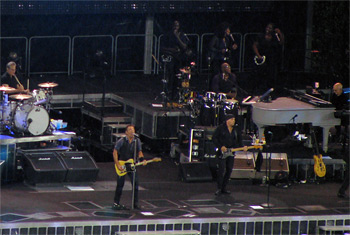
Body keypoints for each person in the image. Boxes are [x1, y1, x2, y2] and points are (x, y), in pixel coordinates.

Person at [212, 112, 248, 196]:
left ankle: (224, 188)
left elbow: (239, 140)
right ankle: (219, 188)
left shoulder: (236, 129)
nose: (234, 121)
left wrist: (243, 147)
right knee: (221, 170)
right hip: (222, 152)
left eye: (234, 119)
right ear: (227, 120)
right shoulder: (220, 128)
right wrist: (221, 146)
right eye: (232, 119)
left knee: (229, 170)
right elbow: (214, 138)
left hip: (231, 152)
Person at [112, 125, 147, 210]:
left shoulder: (136, 141)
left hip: (131, 164)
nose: (132, 131)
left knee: (135, 184)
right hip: (122, 164)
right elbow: (115, 152)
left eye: (133, 130)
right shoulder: (121, 141)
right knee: (120, 185)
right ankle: (116, 203)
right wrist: (117, 164)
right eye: (130, 130)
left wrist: (142, 159)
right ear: (126, 132)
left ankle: (135, 203)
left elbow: (139, 151)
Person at [161, 20, 192, 101]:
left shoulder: (182, 35)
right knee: (170, 75)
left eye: (177, 25)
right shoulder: (168, 35)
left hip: (179, 58)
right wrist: (172, 50)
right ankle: (168, 93)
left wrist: (177, 37)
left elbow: (185, 47)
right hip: (170, 58)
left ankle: (176, 94)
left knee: (178, 76)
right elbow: (163, 47)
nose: (176, 27)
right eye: (174, 25)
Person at [252, 23, 284, 93]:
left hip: (272, 58)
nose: (268, 29)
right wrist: (258, 55)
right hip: (262, 57)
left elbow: (281, 42)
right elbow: (255, 45)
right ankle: (259, 89)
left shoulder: (274, 37)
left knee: (271, 74)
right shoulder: (261, 36)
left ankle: (270, 90)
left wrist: (280, 33)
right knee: (261, 74)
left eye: (270, 28)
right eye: (267, 27)